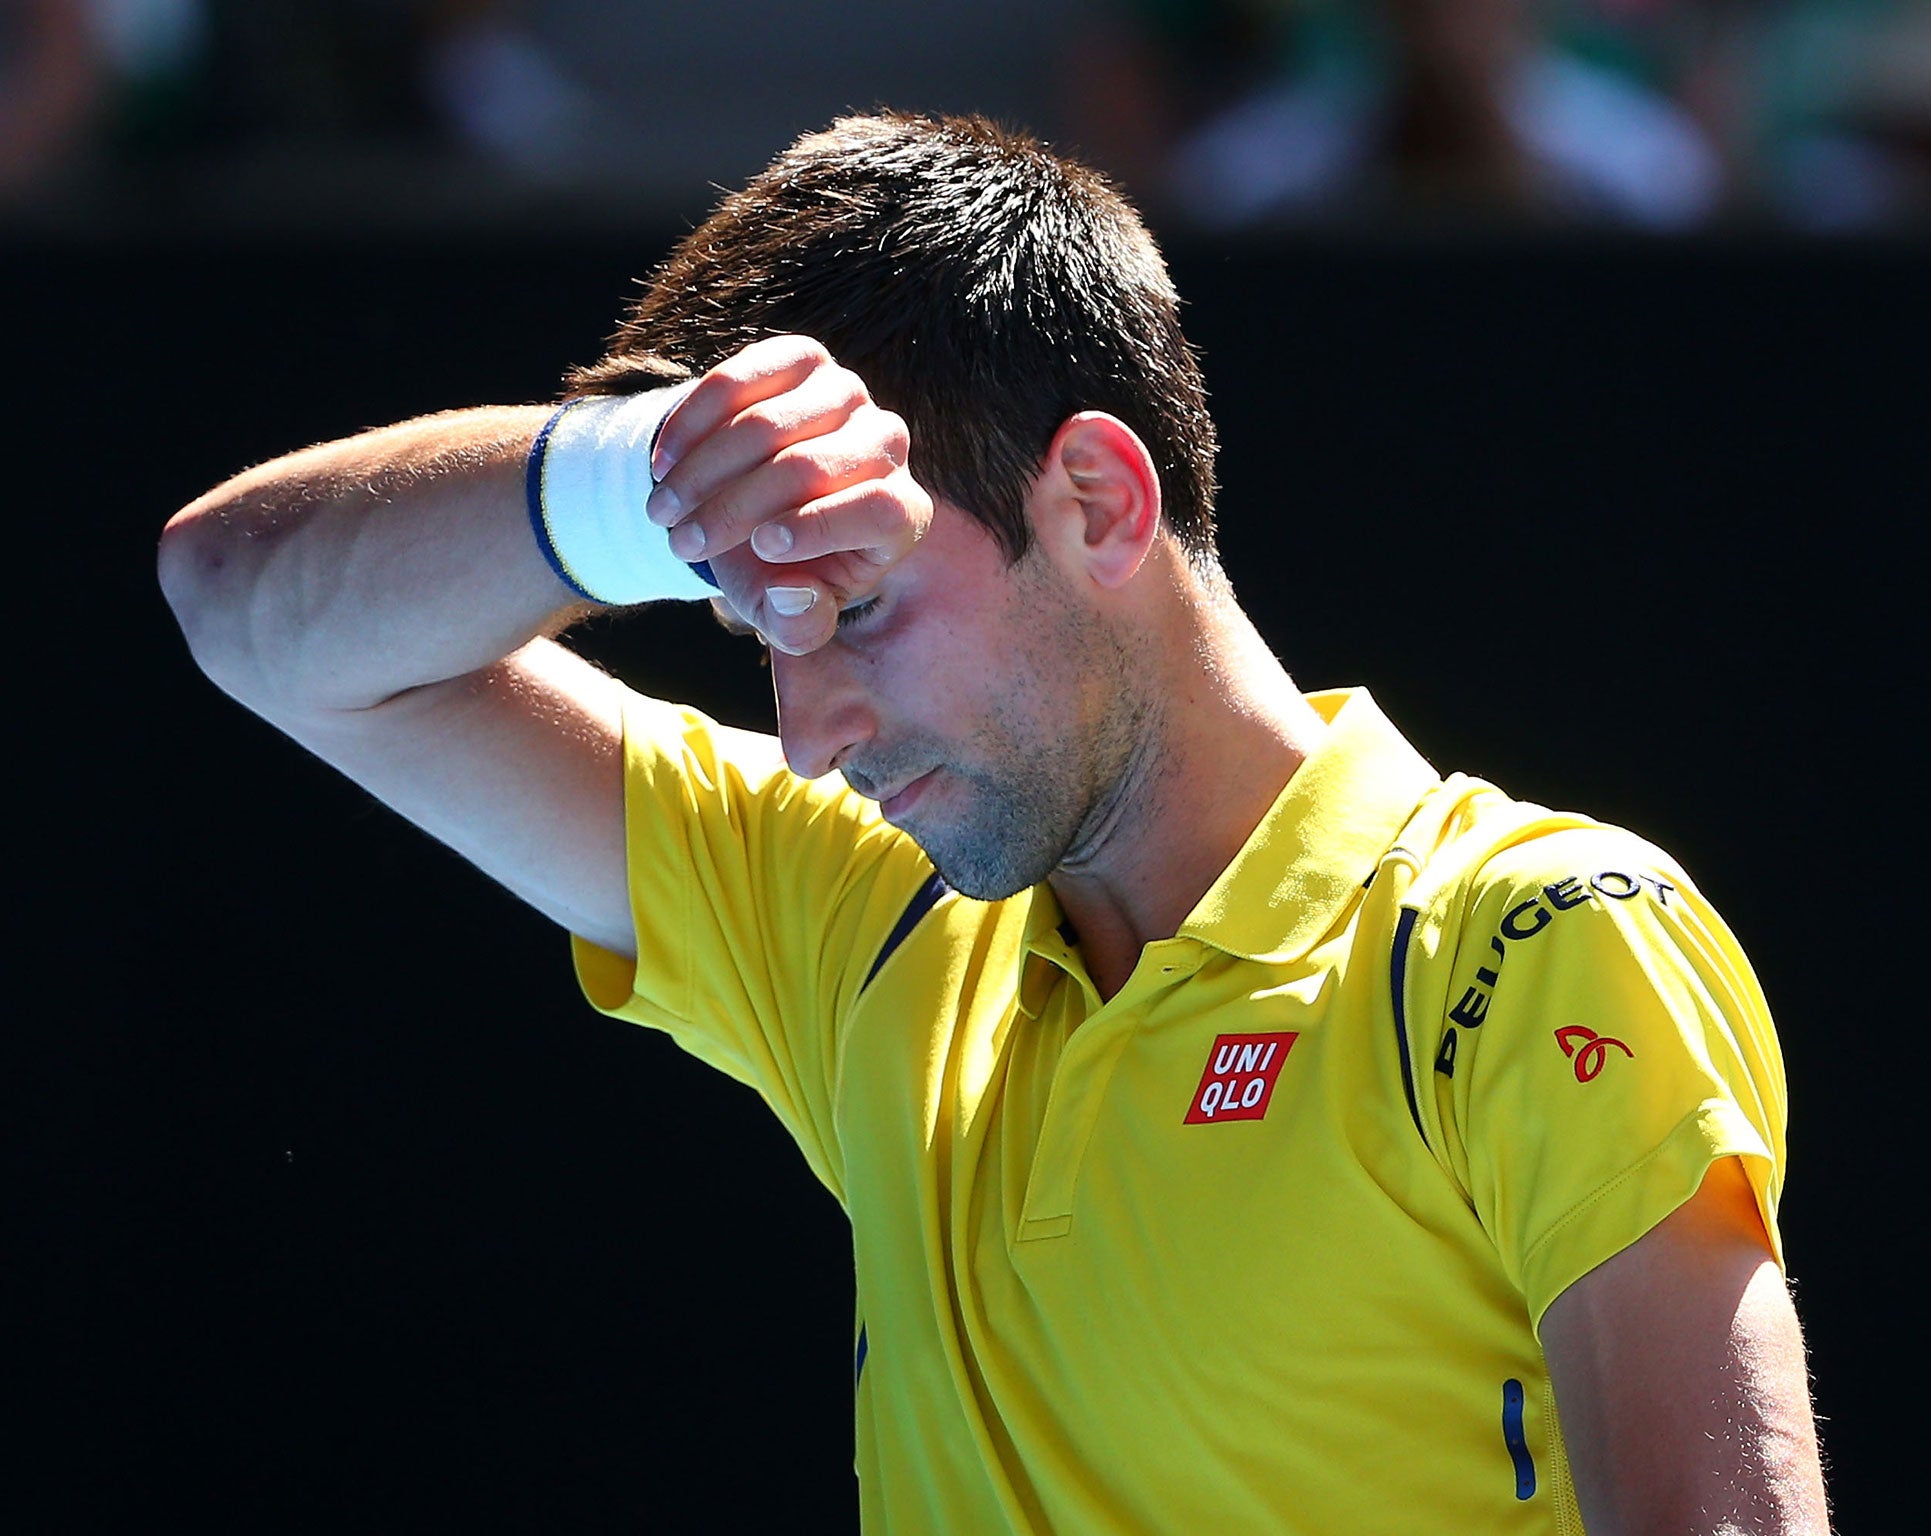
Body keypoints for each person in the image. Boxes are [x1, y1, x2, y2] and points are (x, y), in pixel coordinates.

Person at [159, 111, 1829, 1534]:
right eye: (761, 633)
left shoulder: (1528, 942)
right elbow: (242, 609)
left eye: (861, 608)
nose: (809, 739)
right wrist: (632, 483)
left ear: (1098, 500)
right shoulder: (858, 914)